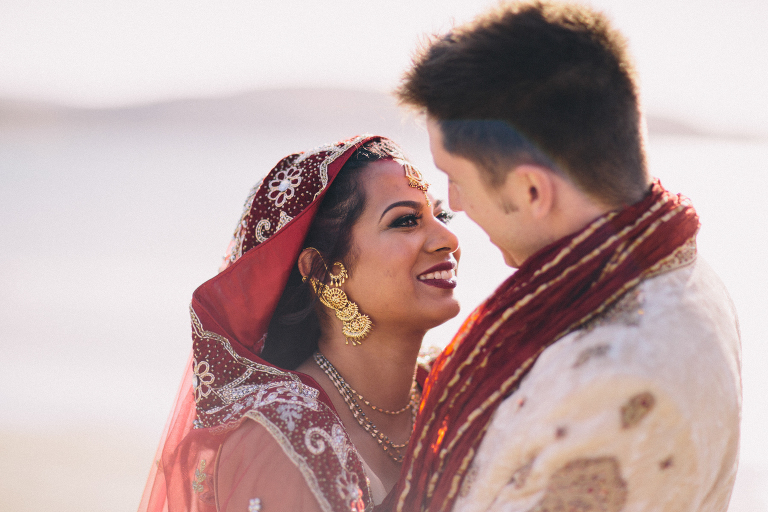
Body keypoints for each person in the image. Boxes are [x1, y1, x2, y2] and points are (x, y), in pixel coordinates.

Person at [380, 2, 742, 512]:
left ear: (531, 191)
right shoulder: (665, 267)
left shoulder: (612, 387)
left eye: (455, 178)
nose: (454, 203)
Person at [138, 135, 461, 512]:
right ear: (321, 271)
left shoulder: (455, 391)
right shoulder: (282, 437)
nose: (448, 239)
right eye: (406, 221)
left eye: (443, 216)